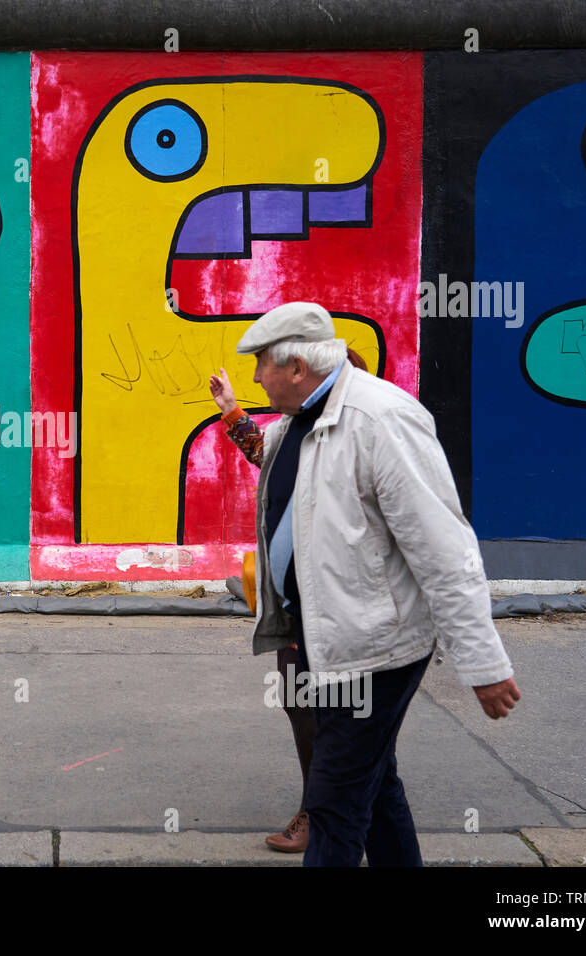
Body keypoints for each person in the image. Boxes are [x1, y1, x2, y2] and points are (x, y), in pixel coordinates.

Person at [211, 301, 521, 867]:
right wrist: (234, 417)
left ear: (297, 367)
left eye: (262, 365)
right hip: (321, 638)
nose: (255, 377)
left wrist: (483, 665)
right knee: (374, 788)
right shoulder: (296, 426)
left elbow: (445, 553)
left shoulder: (382, 420)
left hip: (373, 648)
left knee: (334, 801)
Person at [211, 347, 368, 853]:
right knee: (303, 707)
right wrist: (232, 410)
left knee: (346, 720)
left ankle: (326, 818)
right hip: (295, 609)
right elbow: (262, 450)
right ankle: (328, 812)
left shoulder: (358, 443)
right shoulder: (294, 435)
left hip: (344, 611)